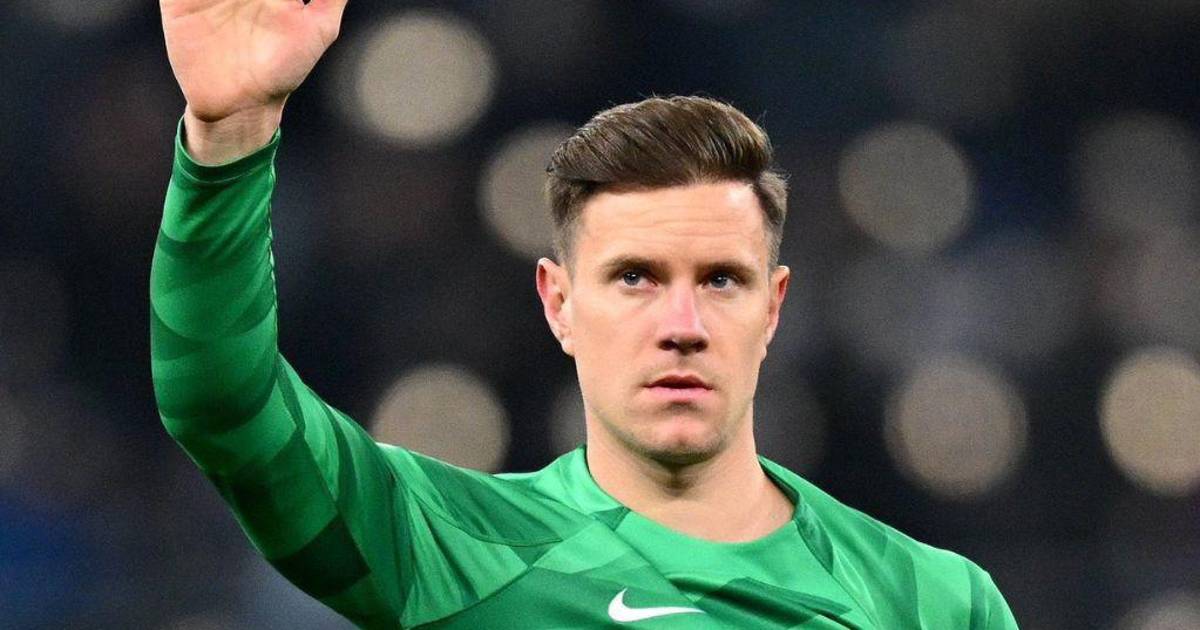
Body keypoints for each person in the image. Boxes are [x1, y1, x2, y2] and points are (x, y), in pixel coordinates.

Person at [151, 1, 1019, 628]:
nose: (682, 323)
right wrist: (229, 138)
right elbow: (224, 405)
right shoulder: (458, 550)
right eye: (636, 278)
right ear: (558, 304)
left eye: (722, 280)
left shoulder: (931, 602)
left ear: (773, 308)